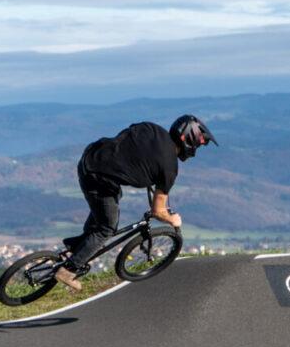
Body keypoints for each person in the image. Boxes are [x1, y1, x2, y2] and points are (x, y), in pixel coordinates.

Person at [55, 114, 216, 291]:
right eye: (198, 146)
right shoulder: (169, 168)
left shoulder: (152, 128)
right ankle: (68, 270)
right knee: (106, 228)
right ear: (189, 141)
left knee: (108, 205)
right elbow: (158, 211)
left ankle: (78, 246)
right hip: (98, 179)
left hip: (90, 157)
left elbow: (132, 146)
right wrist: (173, 220)